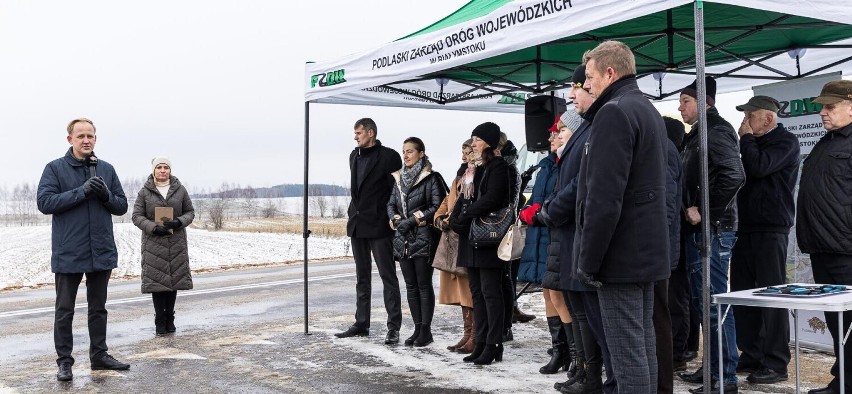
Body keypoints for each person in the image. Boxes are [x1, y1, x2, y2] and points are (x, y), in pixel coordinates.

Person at [574, 40, 670, 393]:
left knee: (629, 353)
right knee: (641, 347)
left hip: (621, 255)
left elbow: (604, 198)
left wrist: (590, 260)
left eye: (590, 76)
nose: (587, 84)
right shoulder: (644, 108)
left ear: (610, 72)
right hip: (644, 252)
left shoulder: (614, 112)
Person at [36, 118, 130, 381]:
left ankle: (99, 356)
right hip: (69, 252)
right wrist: (81, 191)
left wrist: (105, 195)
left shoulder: (107, 169)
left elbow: (121, 206)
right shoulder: (54, 169)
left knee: (98, 308)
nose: (86, 140)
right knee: (65, 310)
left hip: (101, 250)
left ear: (95, 139)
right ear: (70, 140)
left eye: (90, 135)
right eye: (81, 136)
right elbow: (44, 202)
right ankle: (65, 361)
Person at [677, 76, 745, 394]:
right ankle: (713, 369)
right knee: (704, 303)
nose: (680, 107)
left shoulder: (716, 131)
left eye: (686, 101)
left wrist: (706, 212)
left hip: (714, 231)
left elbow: (735, 174)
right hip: (700, 231)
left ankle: (725, 378)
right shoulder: (697, 134)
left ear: (706, 102)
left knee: (715, 302)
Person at [730, 95, 799, 385]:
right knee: (744, 293)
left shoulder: (785, 141)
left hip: (771, 228)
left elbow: (759, 167)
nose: (744, 123)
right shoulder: (751, 143)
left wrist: (745, 140)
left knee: (772, 295)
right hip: (745, 227)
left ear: (768, 119)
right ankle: (752, 354)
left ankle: (776, 362)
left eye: (750, 116)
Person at [549, 65, 606, 394]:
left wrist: (550, 210)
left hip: (577, 232)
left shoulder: (590, 130)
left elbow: (579, 186)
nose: (572, 95)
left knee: (586, 311)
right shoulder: (580, 135)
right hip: (569, 234)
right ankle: (582, 368)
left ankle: (590, 373)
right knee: (577, 308)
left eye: (579, 87)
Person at [797, 80, 852, 394]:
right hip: (822, 248)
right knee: (837, 323)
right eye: (821, 107)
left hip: (846, 250)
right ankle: (842, 379)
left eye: (830, 107)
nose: (823, 113)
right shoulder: (828, 141)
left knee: (850, 323)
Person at [518, 111, 578, 375]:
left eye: (558, 132)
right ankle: (559, 350)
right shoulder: (546, 165)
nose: (552, 137)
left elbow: (561, 197)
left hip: (555, 232)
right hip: (541, 236)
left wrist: (538, 211)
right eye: (553, 133)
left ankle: (575, 353)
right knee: (547, 292)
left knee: (559, 294)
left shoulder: (568, 163)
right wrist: (528, 208)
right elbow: (539, 196)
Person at [336, 118, 403, 345]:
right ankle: (361, 323)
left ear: (370, 133)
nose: (355, 137)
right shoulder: (353, 156)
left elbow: (397, 192)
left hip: (380, 225)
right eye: (355, 133)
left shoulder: (389, 156)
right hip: (358, 224)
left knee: (388, 277)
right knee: (361, 278)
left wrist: (392, 218)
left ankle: (393, 327)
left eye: (358, 133)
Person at [450, 122, 511, 365]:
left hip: (488, 237)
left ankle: (494, 344)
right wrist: (457, 218)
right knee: (477, 293)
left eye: (476, 139)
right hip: (472, 238)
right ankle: (482, 341)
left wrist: (466, 214)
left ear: (488, 142)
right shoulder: (474, 169)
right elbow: (465, 199)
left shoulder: (498, 167)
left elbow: (493, 198)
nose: (473, 143)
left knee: (490, 292)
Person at [387, 137, 447, 347]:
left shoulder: (432, 178)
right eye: (404, 151)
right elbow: (391, 204)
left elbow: (438, 205)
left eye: (410, 151)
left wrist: (413, 220)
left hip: (423, 237)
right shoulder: (398, 179)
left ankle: (425, 330)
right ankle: (416, 328)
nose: (405, 155)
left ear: (421, 153)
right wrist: (396, 220)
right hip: (403, 239)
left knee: (423, 285)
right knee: (411, 286)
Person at [131, 157, 196, 335]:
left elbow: (190, 212)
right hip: (154, 242)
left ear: (170, 170)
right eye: (159, 167)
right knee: (158, 283)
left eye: (165, 167)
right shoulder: (145, 192)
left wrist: (179, 222)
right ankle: (160, 319)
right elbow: (136, 216)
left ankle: (170, 318)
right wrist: (153, 227)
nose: (162, 170)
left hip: (176, 242)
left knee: (173, 282)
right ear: (153, 170)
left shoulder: (180, 190)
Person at [434, 139, 476, 354]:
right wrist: (440, 216)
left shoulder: (475, 175)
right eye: (463, 151)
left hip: (465, 237)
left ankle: (475, 335)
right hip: (452, 237)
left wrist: (454, 219)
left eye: (468, 152)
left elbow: (467, 204)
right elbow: (447, 201)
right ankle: (467, 333)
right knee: (461, 291)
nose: (464, 156)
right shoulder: (460, 175)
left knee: (469, 289)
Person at [655, 116, 684, 394]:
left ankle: (662, 384)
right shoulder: (662, 146)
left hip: (656, 248)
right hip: (656, 247)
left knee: (658, 315)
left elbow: (665, 203)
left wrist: (654, 241)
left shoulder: (662, 148)